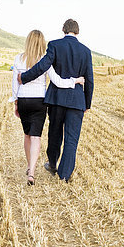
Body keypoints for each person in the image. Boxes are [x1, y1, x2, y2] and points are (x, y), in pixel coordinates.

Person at [18, 19, 94, 182]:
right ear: (77, 32)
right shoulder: (86, 51)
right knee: (71, 138)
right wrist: (87, 103)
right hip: (76, 101)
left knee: (55, 133)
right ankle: (65, 174)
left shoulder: (54, 45)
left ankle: (52, 164)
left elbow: (41, 67)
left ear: (63, 29)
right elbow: (89, 79)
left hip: (57, 99)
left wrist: (24, 77)